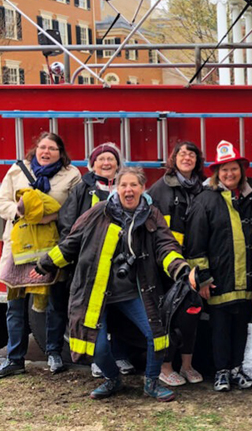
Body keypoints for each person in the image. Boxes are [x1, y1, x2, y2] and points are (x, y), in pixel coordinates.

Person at [36, 167, 195, 402]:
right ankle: (112, 379)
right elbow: (73, 241)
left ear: (142, 188)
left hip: (134, 292)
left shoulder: (151, 215)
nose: (128, 190)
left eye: (134, 185)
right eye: (124, 185)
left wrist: (180, 268)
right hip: (96, 293)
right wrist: (45, 264)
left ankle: (151, 382)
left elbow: (166, 246)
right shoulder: (98, 212)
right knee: (97, 347)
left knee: (157, 335)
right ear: (116, 188)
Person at [0, 132, 81, 379]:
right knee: (15, 306)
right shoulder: (18, 170)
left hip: (51, 248)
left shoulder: (71, 175)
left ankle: (54, 354)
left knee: (54, 303)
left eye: (52, 148)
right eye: (42, 147)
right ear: (35, 149)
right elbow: (0, 201)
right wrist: (20, 214)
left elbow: (74, 209)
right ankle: (14, 359)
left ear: (61, 153)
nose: (46, 152)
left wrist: (51, 216)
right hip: (17, 247)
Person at [186, 140, 252, 392]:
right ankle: (221, 372)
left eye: (234, 169)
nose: (230, 174)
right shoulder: (205, 200)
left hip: (247, 278)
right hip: (219, 278)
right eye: (224, 170)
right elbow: (195, 243)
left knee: (242, 325)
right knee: (219, 326)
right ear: (217, 173)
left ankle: (236, 369)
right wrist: (203, 278)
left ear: (242, 170)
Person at [55, 142, 135, 378]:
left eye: (111, 159)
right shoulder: (82, 189)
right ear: (92, 164)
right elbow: (68, 224)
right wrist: (72, 255)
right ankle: (98, 360)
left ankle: (120, 355)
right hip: (90, 265)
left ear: (118, 164)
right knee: (95, 314)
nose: (106, 163)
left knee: (120, 313)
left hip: (121, 264)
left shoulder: (126, 187)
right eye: (101, 159)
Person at [148, 141, 208, 387]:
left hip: (193, 264)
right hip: (167, 266)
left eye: (191, 154)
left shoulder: (203, 188)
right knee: (167, 317)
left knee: (191, 316)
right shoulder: (159, 189)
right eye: (182, 153)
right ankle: (165, 367)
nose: (187, 157)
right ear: (173, 159)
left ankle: (187, 366)